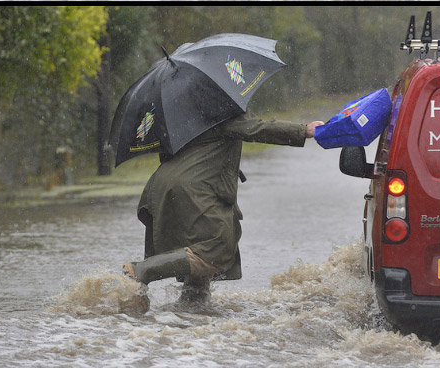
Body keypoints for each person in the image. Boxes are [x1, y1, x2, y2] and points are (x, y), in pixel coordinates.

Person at [121, 114, 324, 304]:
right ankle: (141, 271)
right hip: (194, 188)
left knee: (196, 245)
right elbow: (256, 128)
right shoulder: (219, 108)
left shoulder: (178, 113)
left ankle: (192, 307)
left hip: (164, 186)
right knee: (215, 247)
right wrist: (304, 130)